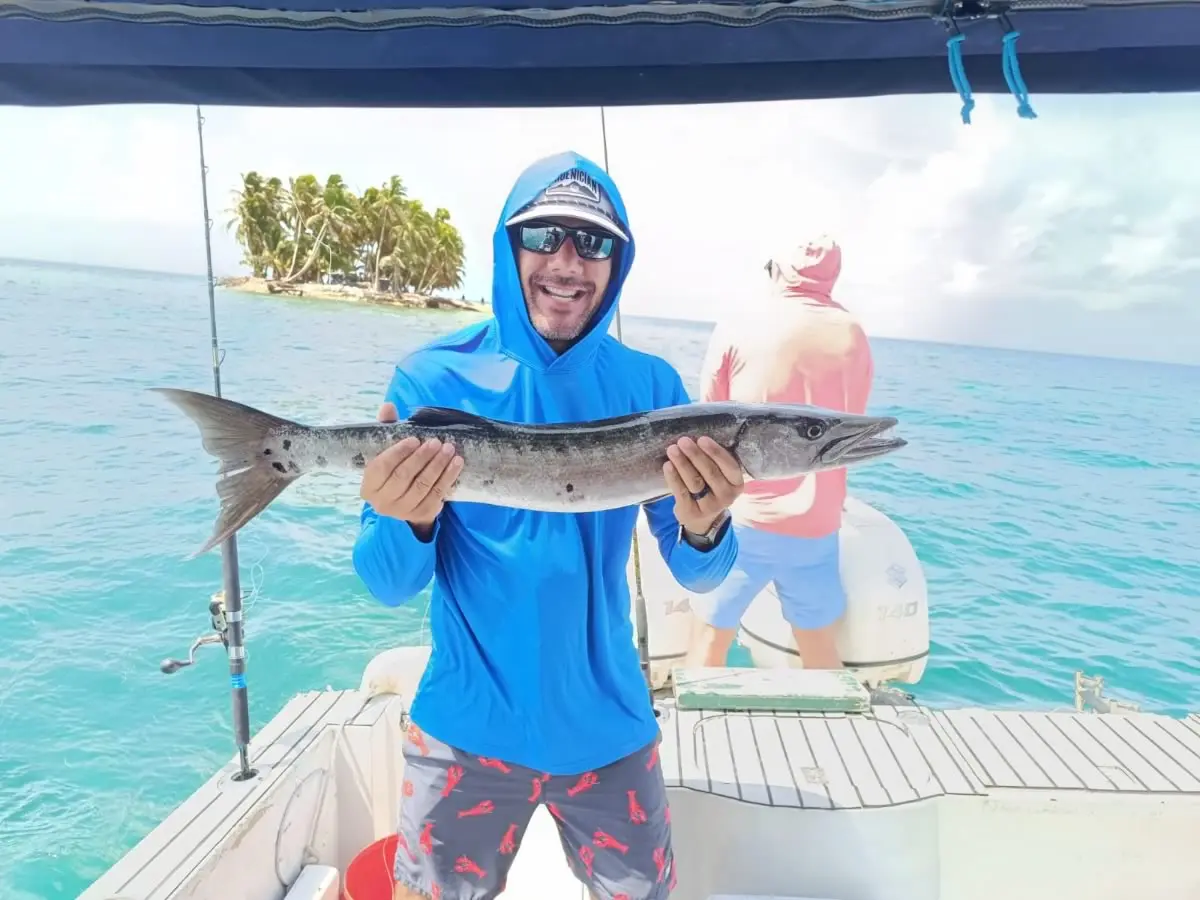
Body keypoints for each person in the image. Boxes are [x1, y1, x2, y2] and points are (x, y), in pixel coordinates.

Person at [353, 151, 744, 900]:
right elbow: (385, 583)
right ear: (509, 245)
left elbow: (703, 575)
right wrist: (412, 519)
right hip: (464, 730)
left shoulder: (652, 388)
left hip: (609, 733)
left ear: (617, 263)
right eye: (545, 235)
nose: (568, 261)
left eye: (594, 243)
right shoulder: (431, 379)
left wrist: (705, 527)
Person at [683, 235, 873, 671]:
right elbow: (850, 422)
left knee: (710, 642)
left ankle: (691, 737)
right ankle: (834, 735)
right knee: (820, 649)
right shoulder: (854, 334)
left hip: (742, 516)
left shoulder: (740, 322)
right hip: (820, 523)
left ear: (778, 271)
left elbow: (706, 417)